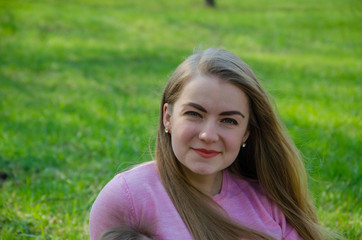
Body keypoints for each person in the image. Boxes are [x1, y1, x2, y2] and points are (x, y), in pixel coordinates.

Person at [89, 48, 324, 240]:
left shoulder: (269, 199)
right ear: (168, 117)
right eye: (194, 114)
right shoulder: (126, 199)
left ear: (246, 134)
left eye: (229, 120)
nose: (208, 135)